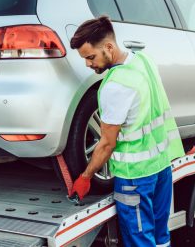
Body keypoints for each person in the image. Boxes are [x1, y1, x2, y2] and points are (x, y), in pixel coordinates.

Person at [69, 16, 185, 246]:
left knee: (140, 240)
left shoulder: (115, 85)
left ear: (109, 47)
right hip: (162, 167)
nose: (88, 64)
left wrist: (85, 176)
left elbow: (106, 144)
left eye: (90, 57)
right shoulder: (142, 60)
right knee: (160, 236)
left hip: (135, 178)